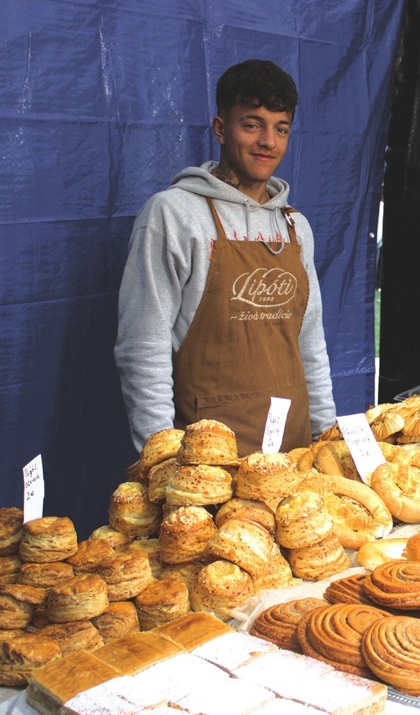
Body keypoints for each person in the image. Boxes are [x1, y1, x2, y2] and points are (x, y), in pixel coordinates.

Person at [115, 59, 336, 456]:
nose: (268, 141)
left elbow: (311, 344)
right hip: (208, 463)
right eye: (252, 125)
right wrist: (161, 459)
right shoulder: (173, 214)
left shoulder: (294, 226)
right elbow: (143, 347)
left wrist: (326, 438)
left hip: (295, 455)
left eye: (281, 129)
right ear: (220, 129)